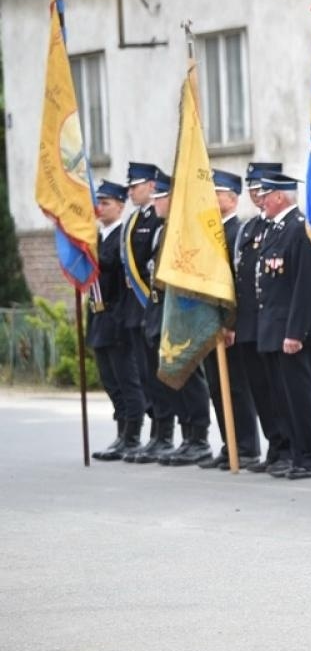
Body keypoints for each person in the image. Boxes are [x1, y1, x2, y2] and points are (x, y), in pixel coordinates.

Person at [253, 171, 311, 480]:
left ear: (280, 197)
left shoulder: (300, 230)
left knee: (302, 399)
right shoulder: (275, 230)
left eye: (266, 194)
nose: (260, 199)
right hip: (273, 329)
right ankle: (299, 455)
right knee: (284, 400)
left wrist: (295, 332)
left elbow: (306, 286)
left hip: (292, 332)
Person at [144, 171, 215, 467]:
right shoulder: (163, 230)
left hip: (184, 309)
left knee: (188, 371)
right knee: (172, 373)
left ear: (172, 198)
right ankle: (186, 435)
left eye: (159, 197)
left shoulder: (185, 228)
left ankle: (198, 437)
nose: (155, 203)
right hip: (162, 308)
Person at [197, 170, 262, 470]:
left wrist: (231, 323)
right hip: (209, 320)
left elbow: (238, 284)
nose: (211, 198)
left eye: (217, 193)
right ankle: (229, 443)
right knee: (216, 386)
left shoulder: (238, 232)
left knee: (236, 386)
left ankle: (246, 446)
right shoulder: (210, 232)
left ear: (232, 198)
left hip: (229, 324)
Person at [235, 163, 291, 474]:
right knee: (260, 389)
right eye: (253, 188)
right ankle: (274, 445)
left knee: (277, 389)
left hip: (271, 321)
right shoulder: (251, 228)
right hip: (249, 323)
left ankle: (287, 448)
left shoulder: (280, 227)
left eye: (262, 188)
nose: (257, 194)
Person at [119, 162, 172, 464]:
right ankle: (156, 433)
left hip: (152, 306)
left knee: (158, 374)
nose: (130, 191)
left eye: (135, 186)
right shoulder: (134, 219)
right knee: (145, 375)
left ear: (151, 186)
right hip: (139, 309)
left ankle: (164, 433)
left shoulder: (158, 219)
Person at [88, 180, 145, 460]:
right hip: (99, 317)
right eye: (98, 202)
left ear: (121, 206)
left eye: (106, 202)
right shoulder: (96, 238)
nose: (100, 208)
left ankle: (132, 437)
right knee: (110, 382)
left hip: (118, 317)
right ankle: (121, 432)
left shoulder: (124, 236)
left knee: (127, 381)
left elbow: (111, 267)